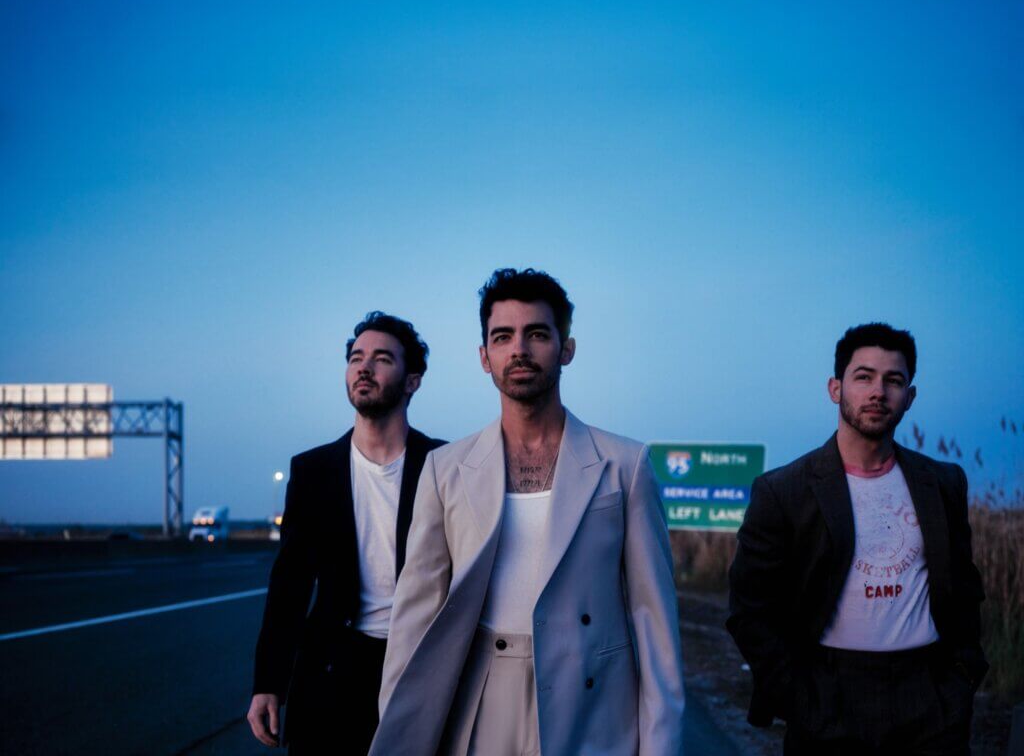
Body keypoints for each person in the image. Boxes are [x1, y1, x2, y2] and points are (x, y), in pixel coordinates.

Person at [368, 268, 685, 756]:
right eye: (503, 336)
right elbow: (414, 619)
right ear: (484, 356)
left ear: (567, 349)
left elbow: (654, 624)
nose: (519, 349)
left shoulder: (626, 465)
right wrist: (399, 728)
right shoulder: (445, 469)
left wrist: (661, 747)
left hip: (593, 702)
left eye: (537, 334)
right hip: (481, 696)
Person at [728, 322, 987, 755]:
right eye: (863, 376)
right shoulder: (783, 490)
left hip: (929, 697)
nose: (878, 392)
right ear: (835, 388)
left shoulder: (942, 483)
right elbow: (749, 610)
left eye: (894, 380)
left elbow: (963, 588)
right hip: (829, 693)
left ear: (910, 397)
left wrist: (960, 680)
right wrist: (798, 698)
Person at [247, 312, 445, 754]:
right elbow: (290, 584)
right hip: (334, 670)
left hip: (419, 665)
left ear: (412, 380)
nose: (364, 368)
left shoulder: (444, 465)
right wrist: (268, 684)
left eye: (381, 359)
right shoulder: (313, 470)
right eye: (356, 358)